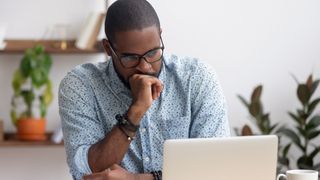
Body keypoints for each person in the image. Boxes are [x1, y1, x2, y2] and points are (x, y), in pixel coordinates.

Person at [58, 0, 230, 179]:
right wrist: (136, 110)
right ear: (108, 48)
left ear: (160, 36)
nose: (146, 67)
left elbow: (215, 167)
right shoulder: (81, 85)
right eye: (131, 57)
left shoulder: (196, 78)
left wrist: (136, 179)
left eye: (152, 53)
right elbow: (87, 172)